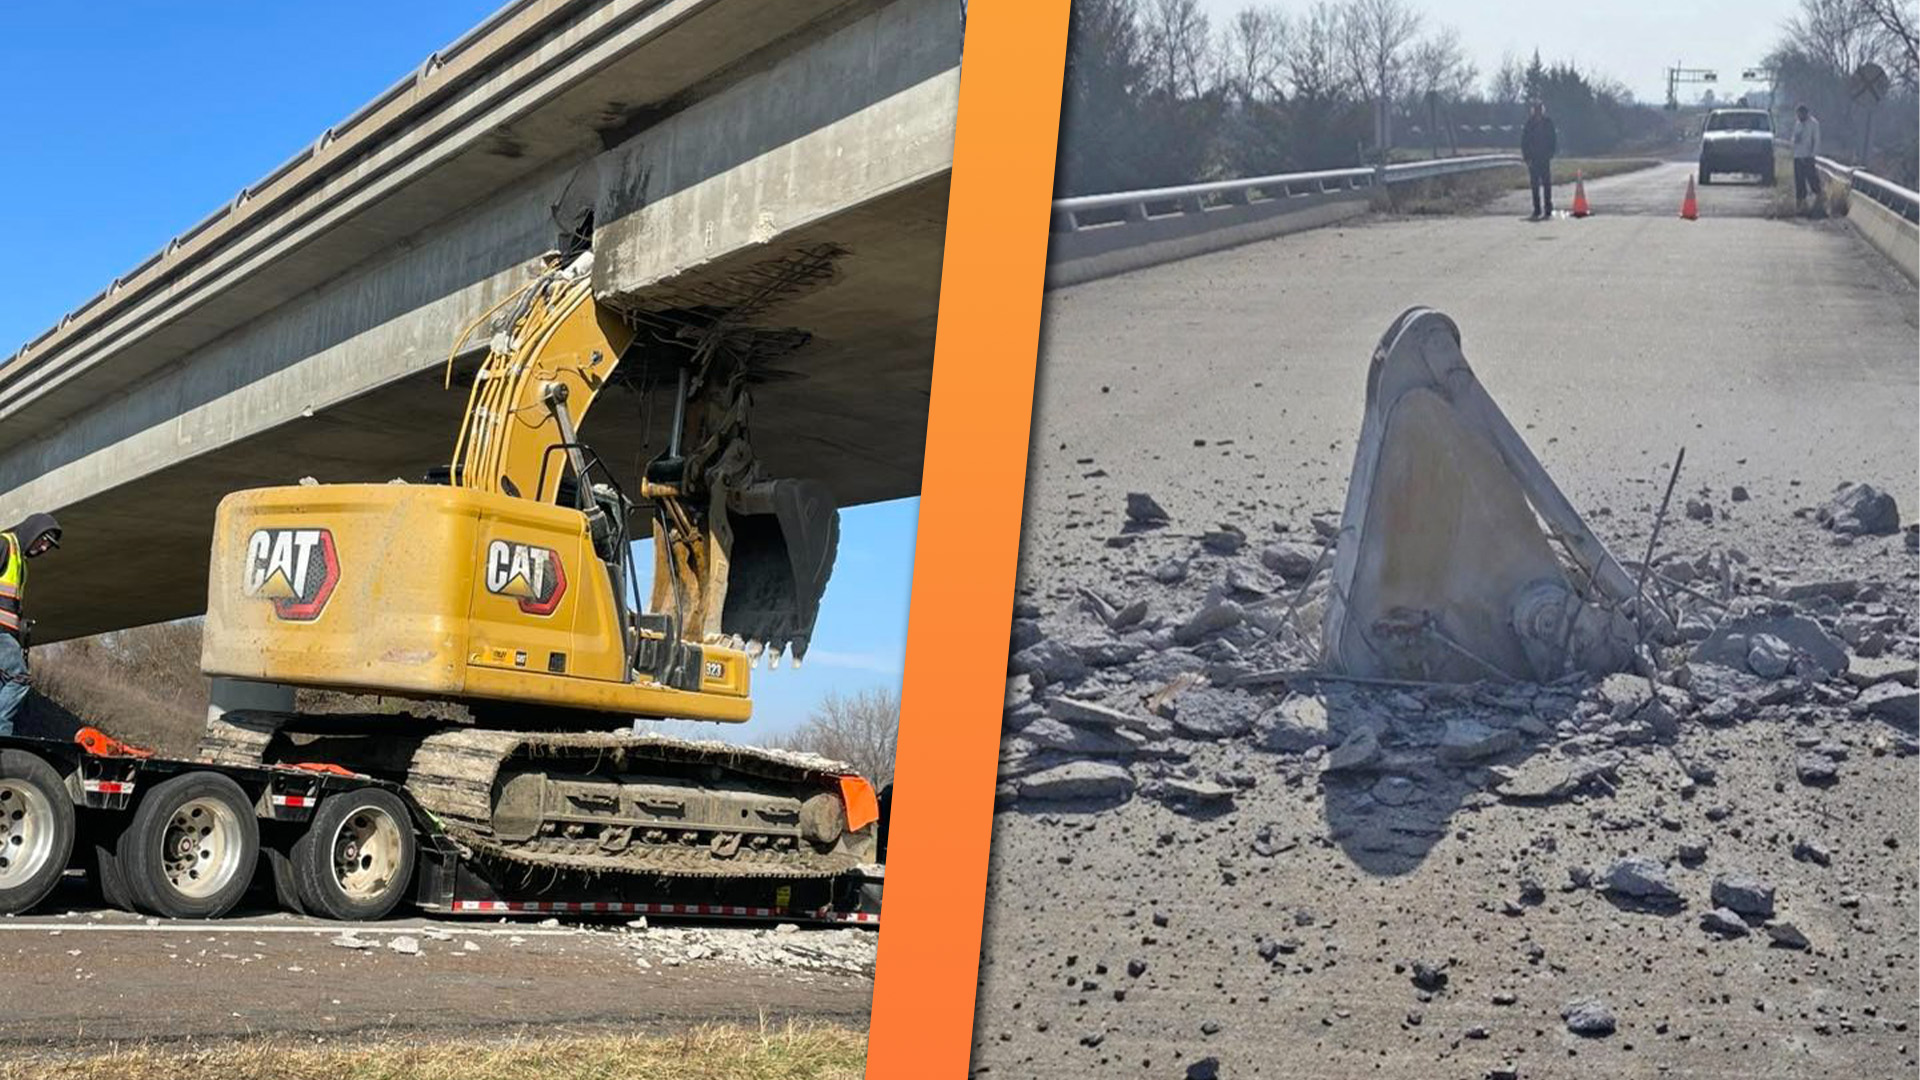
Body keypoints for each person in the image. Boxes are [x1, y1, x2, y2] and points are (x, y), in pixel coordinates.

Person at [0, 513, 62, 736]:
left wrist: (18, 624)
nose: (44, 548)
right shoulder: (4, 544)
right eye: (44, 540)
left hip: (6, 633)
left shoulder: (21, 564)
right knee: (18, 677)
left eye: (49, 545)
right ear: (33, 531)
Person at [1521, 101, 1558, 221]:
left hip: (1544, 158)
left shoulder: (1548, 123)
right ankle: (1537, 209)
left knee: (1547, 184)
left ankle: (1548, 208)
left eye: (1539, 110)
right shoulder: (1529, 124)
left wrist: (1551, 152)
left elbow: (1553, 138)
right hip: (1533, 158)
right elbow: (1524, 142)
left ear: (1542, 110)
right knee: (1535, 185)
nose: (1537, 112)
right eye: (1535, 110)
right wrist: (1526, 157)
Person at [1791, 104, 1823, 213]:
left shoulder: (1813, 124)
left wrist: (1812, 155)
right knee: (1799, 182)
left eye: (1801, 114)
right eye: (1798, 114)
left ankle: (1819, 201)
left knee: (1812, 179)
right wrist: (1794, 142)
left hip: (1808, 156)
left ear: (1805, 113)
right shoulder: (1798, 124)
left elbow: (1816, 140)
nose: (1799, 116)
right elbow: (1793, 139)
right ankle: (1801, 205)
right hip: (1798, 156)